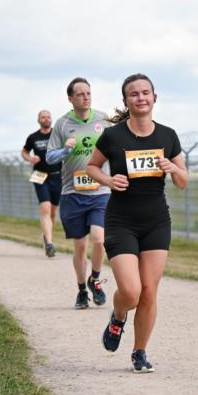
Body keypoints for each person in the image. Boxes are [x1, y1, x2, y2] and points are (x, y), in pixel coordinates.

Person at [85, 73, 188, 373]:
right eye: (134, 94)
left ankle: (139, 352)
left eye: (146, 93)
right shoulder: (114, 136)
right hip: (121, 221)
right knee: (131, 291)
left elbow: (183, 181)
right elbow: (92, 166)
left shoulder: (168, 136)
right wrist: (107, 178)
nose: (140, 98)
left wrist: (172, 168)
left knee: (149, 291)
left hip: (156, 221)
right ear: (126, 101)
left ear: (155, 98)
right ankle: (118, 316)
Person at [46, 77, 111, 310]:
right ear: (71, 98)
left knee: (99, 238)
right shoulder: (62, 125)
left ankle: (95, 280)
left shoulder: (104, 120)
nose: (86, 97)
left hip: (100, 190)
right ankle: (82, 289)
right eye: (81, 94)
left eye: (89, 93)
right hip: (72, 192)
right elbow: (50, 157)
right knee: (80, 246)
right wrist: (65, 150)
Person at [22, 110, 62, 257]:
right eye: (43, 117)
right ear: (38, 120)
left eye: (48, 117)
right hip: (39, 175)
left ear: (51, 119)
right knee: (45, 207)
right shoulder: (33, 137)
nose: (46, 119)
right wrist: (29, 159)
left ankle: (47, 236)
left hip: (57, 176)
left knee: (53, 211)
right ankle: (50, 244)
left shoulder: (57, 135)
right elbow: (24, 151)